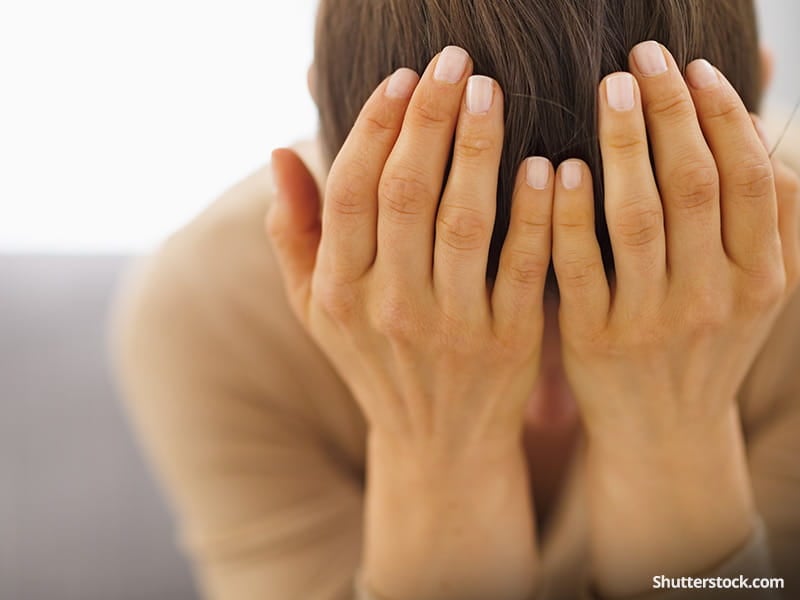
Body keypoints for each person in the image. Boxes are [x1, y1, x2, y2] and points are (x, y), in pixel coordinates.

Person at [111, 1, 800, 598]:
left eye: (633, 295)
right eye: (456, 297)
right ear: (321, 121)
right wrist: (437, 452)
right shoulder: (209, 316)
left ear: (763, 99)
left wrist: (671, 435)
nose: (547, 406)